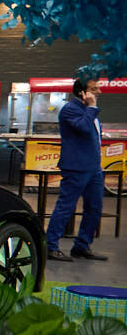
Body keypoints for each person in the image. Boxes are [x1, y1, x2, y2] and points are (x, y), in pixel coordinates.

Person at [45, 76, 109, 262]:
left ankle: (82, 246)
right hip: (76, 167)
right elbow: (82, 128)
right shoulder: (70, 110)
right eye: (95, 89)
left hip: (93, 168)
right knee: (66, 206)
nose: (99, 92)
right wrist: (91, 108)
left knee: (94, 207)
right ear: (83, 92)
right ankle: (50, 246)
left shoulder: (90, 110)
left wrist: (91, 109)